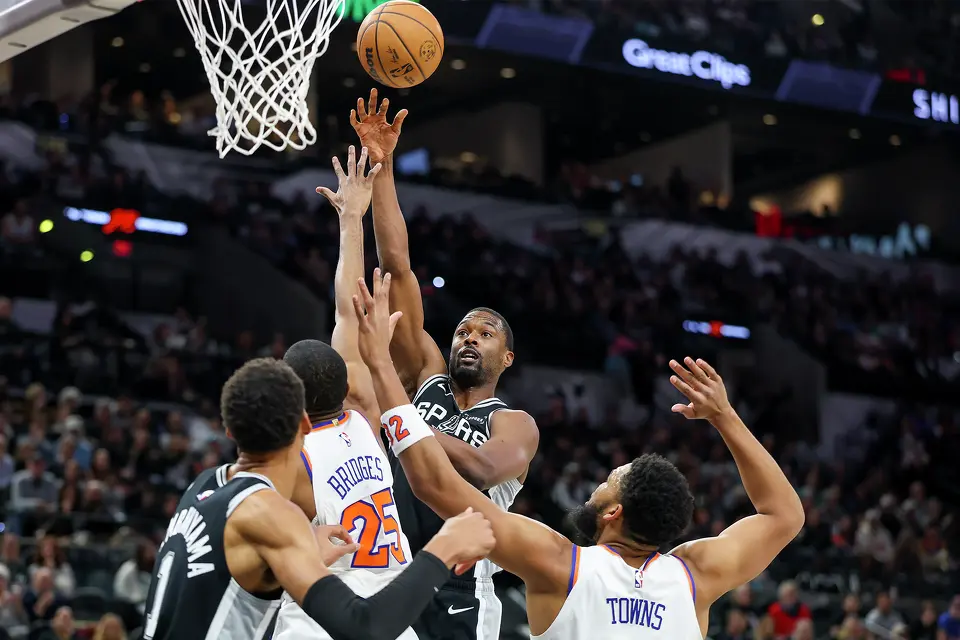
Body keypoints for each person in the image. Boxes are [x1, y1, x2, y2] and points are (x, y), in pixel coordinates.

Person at [351, 271, 805, 639]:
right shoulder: (694, 578)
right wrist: (726, 417)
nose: (598, 483)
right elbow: (785, 516)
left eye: (609, 479)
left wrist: (381, 371)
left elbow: (433, 484)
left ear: (613, 512)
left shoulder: (559, 564)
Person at [352, 87, 540, 640]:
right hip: (386, 568)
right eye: (462, 329)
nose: (468, 337)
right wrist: (383, 169)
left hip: (457, 592)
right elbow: (398, 267)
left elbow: (481, 471)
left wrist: (405, 423)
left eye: (485, 334)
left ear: (506, 357)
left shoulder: (513, 422)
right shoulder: (428, 375)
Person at [140, 357, 496, 640]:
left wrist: (300, 551)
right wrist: (443, 550)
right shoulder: (270, 515)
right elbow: (364, 628)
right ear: (306, 426)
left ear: (230, 430)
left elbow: (219, 584)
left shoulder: (203, 486)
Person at [272, 147, 418, 640]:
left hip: (325, 620)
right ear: (344, 383)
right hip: (396, 618)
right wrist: (352, 220)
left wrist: (352, 216)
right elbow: (349, 309)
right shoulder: (364, 417)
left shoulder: (293, 459)